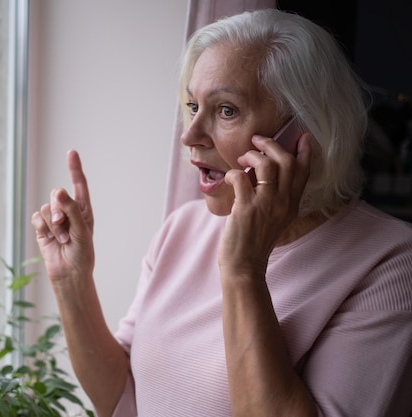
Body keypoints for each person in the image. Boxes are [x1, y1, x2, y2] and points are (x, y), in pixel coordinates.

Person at [31, 8, 412, 417]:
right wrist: (72, 283)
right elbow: (125, 400)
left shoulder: (391, 263)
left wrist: (244, 269)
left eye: (226, 110)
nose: (190, 136)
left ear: (305, 133)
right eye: (193, 105)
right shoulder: (182, 228)